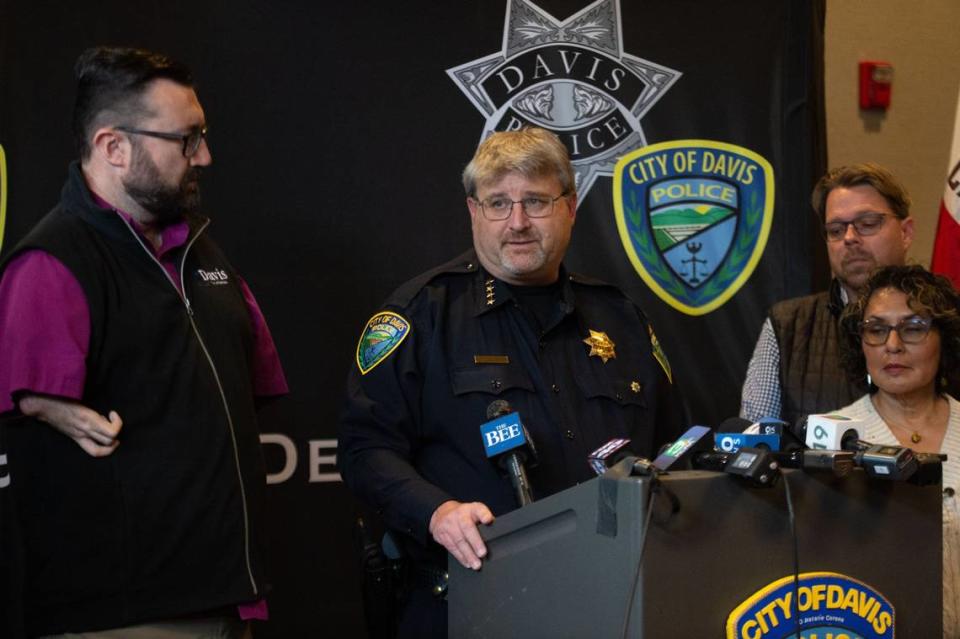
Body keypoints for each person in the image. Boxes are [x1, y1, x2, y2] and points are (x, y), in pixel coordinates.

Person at [337, 127, 683, 638]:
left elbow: (674, 447)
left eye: (536, 202)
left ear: (570, 207)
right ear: (474, 213)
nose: (517, 222)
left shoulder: (622, 318)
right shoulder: (422, 315)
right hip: (469, 599)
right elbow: (364, 448)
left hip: (611, 599)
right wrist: (437, 513)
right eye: (498, 203)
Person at [0, 47, 287, 638]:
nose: (205, 155)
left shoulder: (202, 253)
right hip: (129, 617)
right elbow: (15, 390)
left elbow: (245, 389)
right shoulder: (53, 264)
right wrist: (30, 399)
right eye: (185, 140)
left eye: (201, 135)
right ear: (113, 147)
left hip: (228, 598)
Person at [835, 265, 960, 637]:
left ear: (945, 337)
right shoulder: (829, 437)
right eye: (876, 329)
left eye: (913, 327)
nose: (893, 344)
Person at [740, 163, 914, 425]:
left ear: (905, 233)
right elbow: (752, 442)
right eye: (835, 230)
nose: (849, 238)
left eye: (867, 223)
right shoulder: (788, 325)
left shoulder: (947, 321)